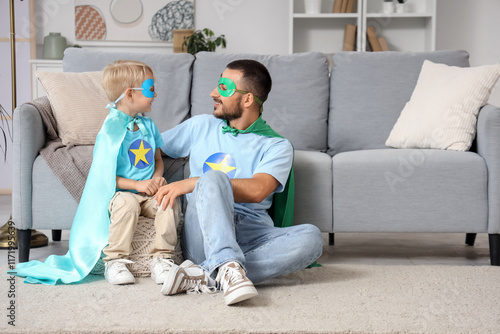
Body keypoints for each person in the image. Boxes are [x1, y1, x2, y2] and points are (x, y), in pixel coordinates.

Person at [155, 59, 323, 305]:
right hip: (204, 232)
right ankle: (225, 267)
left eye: (223, 88)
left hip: (255, 233)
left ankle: (207, 274)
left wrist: (191, 183)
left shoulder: (276, 145)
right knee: (212, 178)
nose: (213, 93)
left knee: (312, 238)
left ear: (247, 100)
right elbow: (150, 146)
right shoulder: (201, 126)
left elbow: (258, 190)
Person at [99, 60, 184, 285]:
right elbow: (105, 175)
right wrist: (136, 186)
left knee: (169, 201)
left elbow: (157, 160)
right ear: (130, 94)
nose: (155, 94)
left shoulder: (149, 126)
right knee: (126, 204)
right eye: (150, 88)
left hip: (148, 196)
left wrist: (157, 177)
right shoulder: (111, 129)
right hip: (123, 194)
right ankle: (115, 260)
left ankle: (162, 259)